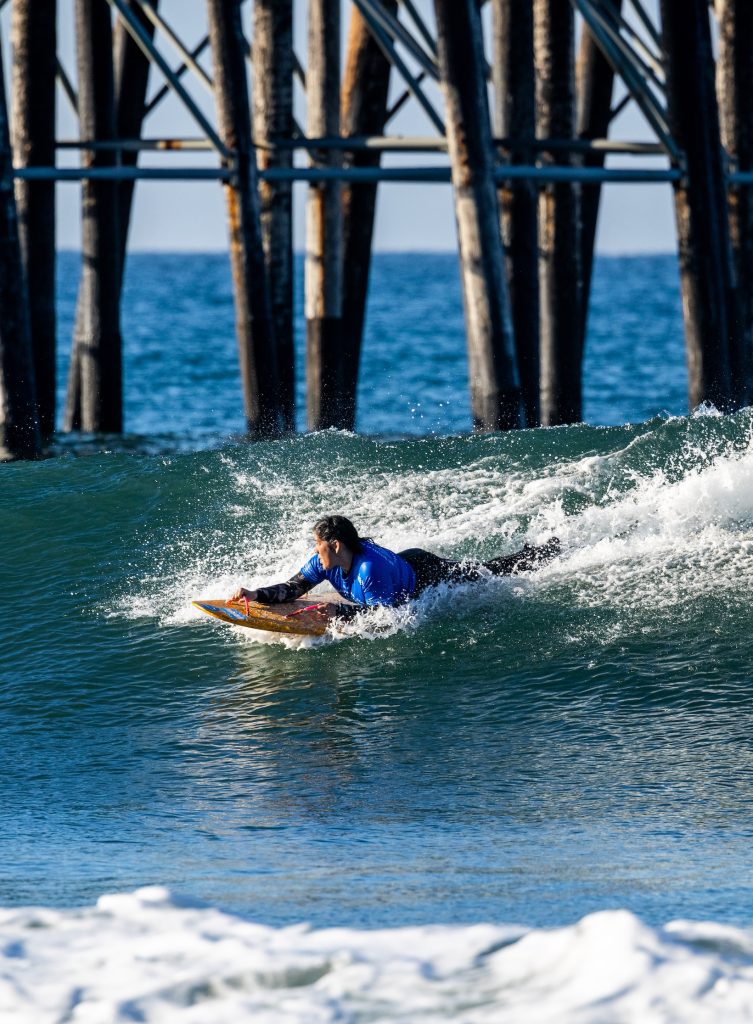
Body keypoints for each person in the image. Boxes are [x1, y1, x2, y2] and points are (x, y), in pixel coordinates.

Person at [230, 515, 560, 620]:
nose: (314, 550)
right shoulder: (323, 561)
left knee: (486, 574)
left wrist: (336, 613)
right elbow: (293, 587)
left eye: (318, 543)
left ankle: (537, 555)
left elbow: (385, 616)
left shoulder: (367, 570)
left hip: (426, 574)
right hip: (401, 564)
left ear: (336, 545)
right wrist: (255, 593)